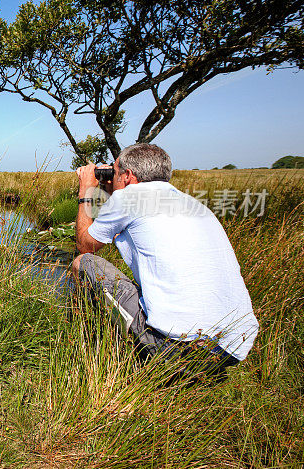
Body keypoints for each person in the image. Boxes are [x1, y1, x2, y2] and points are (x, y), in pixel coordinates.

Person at [72, 143, 258, 378]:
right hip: (230, 349)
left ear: (128, 176)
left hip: (174, 350)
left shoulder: (129, 197)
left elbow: (86, 244)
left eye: (115, 171)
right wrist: (114, 191)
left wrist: (86, 192)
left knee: (83, 262)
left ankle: (93, 350)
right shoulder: (193, 203)